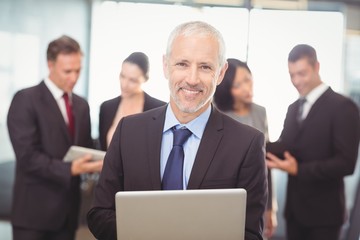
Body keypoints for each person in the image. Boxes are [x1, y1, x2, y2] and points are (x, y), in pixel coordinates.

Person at [87, 21, 268, 240]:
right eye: (182, 64)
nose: (192, 79)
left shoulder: (247, 144)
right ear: (165, 66)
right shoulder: (128, 131)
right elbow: (99, 213)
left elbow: (249, 234)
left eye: (205, 67)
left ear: (221, 73)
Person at [7, 35, 103, 240]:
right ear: (50, 65)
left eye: (78, 70)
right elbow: (27, 157)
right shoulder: (26, 100)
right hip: (33, 216)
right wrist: (71, 169)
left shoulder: (81, 105)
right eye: (67, 71)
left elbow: (85, 145)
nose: (74, 77)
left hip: (68, 214)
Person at [266, 44, 360, 240]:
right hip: (294, 213)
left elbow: (346, 163)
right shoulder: (293, 108)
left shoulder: (343, 107)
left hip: (324, 216)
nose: (296, 81)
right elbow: (286, 146)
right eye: (292, 75)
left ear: (317, 67)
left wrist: (298, 170)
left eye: (302, 73)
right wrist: (253, 145)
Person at [213, 58, 277, 239]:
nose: (247, 88)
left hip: (255, 191)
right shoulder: (216, 112)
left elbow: (266, 161)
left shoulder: (260, 112)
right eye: (238, 85)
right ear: (227, 88)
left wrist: (271, 207)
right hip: (223, 194)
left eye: (248, 79)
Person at [99, 52, 166, 150]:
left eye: (132, 80)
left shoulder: (160, 109)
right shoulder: (106, 108)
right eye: (122, 76)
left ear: (145, 79)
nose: (124, 84)